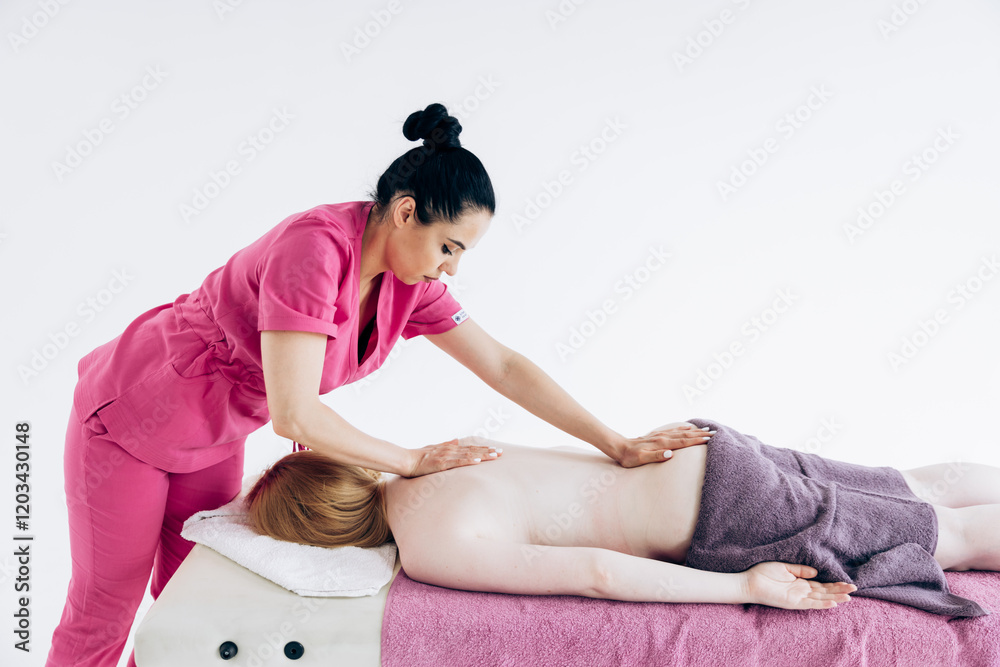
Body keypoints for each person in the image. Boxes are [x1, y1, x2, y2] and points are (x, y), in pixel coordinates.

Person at [47, 103, 710, 667]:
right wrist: (410, 461)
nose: (451, 268)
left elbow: (503, 365)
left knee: (193, 605)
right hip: (131, 416)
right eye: (448, 246)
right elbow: (295, 414)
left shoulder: (409, 284)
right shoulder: (313, 249)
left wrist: (615, 443)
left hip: (216, 433)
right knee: (105, 609)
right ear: (405, 212)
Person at [245, 419, 1000, 612]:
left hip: (724, 509)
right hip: (704, 451)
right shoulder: (431, 454)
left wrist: (744, 587)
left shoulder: (428, 544)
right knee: (916, 485)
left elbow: (596, 573)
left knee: (953, 539)